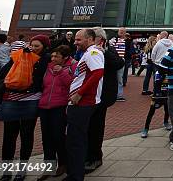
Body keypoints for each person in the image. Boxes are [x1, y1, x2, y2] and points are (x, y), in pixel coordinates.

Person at [0, 35, 51, 181]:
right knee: (9, 135)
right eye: (32, 45)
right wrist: (20, 57)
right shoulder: (20, 55)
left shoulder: (46, 59)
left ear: (45, 47)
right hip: (11, 98)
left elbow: (44, 77)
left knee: (26, 134)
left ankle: (22, 169)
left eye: (37, 46)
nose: (33, 48)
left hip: (31, 99)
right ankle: (6, 171)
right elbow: (3, 73)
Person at [66, 29, 104, 181]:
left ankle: (75, 175)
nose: (75, 42)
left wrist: (79, 93)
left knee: (76, 140)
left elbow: (98, 73)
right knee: (76, 138)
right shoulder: (88, 53)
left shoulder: (93, 53)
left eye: (78, 39)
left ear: (89, 39)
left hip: (83, 102)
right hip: (81, 101)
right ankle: (75, 172)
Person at [85, 27, 125, 173]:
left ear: (99, 39)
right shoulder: (86, 50)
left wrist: (105, 52)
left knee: (95, 126)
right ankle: (86, 154)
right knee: (86, 127)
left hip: (102, 96)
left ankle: (95, 157)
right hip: (87, 95)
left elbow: (119, 63)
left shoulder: (109, 50)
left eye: (90, 37)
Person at [37, 45, 76, 180]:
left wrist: (62, 72)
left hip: (59, 106)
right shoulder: (47, 68)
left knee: (58, 136)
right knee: (46, 138)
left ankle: (63, 163)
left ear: (64, 57)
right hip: (44, 106)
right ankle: (49, 165)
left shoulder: (70, 68)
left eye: (57, 56)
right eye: (52, 56)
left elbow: (72, 85)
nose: (53, 58)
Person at [140, 70, 171, 138]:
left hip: (167, 94)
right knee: (151, 112)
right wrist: (157, 94)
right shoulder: (158, 72)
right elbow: (157, 84)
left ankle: (166, 122)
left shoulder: (171, 71)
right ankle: (146, 129)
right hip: (158, 94)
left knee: (167, 109)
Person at [109, 27, 128, 101]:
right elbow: (110, 48)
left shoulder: (127, 41)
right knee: (112, 77)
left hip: (121, 60)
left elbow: (129, 50)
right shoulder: (114, 39)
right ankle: (112, 94)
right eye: (120, 31)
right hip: (114, 60)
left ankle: (119, 95)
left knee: (120, 78)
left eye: (123, 31)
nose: (121, 33)